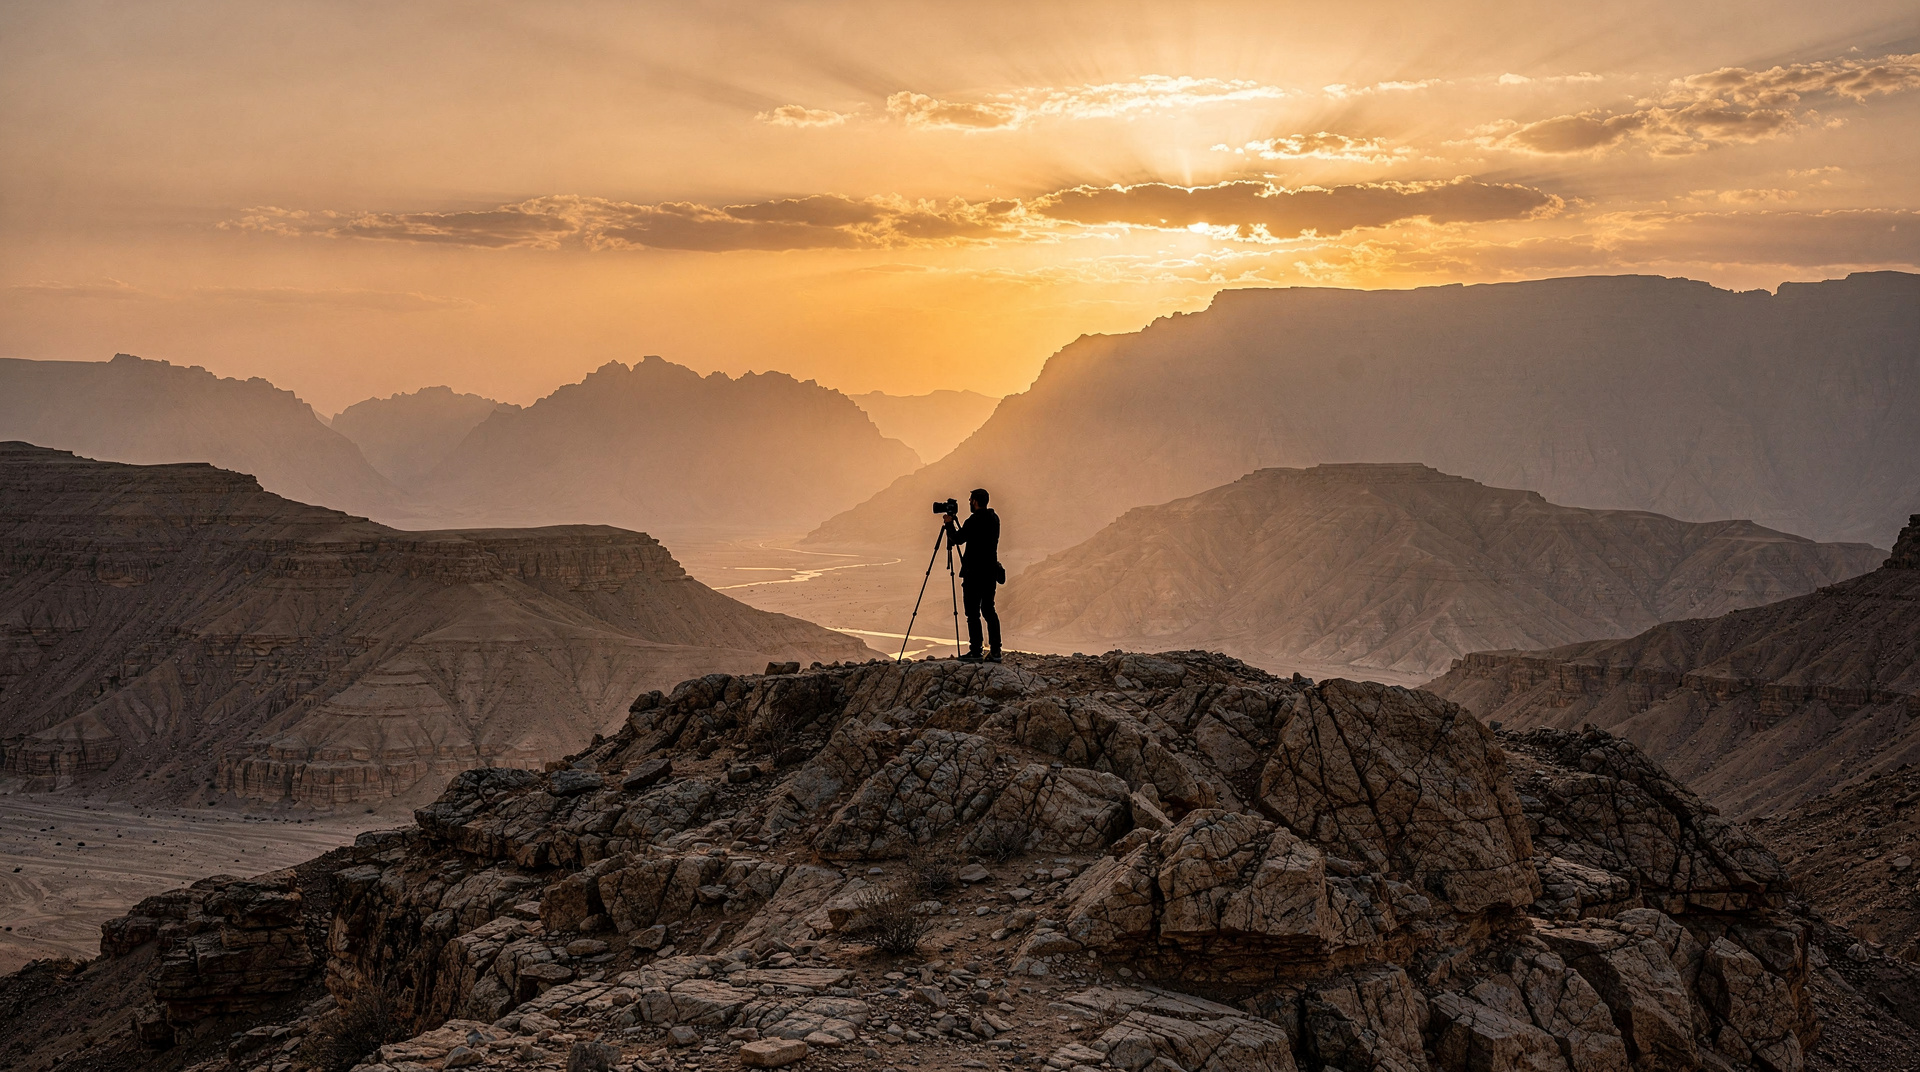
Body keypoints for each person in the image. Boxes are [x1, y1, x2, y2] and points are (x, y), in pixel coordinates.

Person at [943, 488, 1002, 662]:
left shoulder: (974, 520)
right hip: (990, 572)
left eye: (970, 500)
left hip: (974, 574)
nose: (969, 502)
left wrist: (948, 523)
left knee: (973, 612)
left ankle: (976, 651)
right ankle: (996, 651)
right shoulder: (994, 519)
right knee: (989, 610)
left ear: (975, 501)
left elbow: (957, 539)